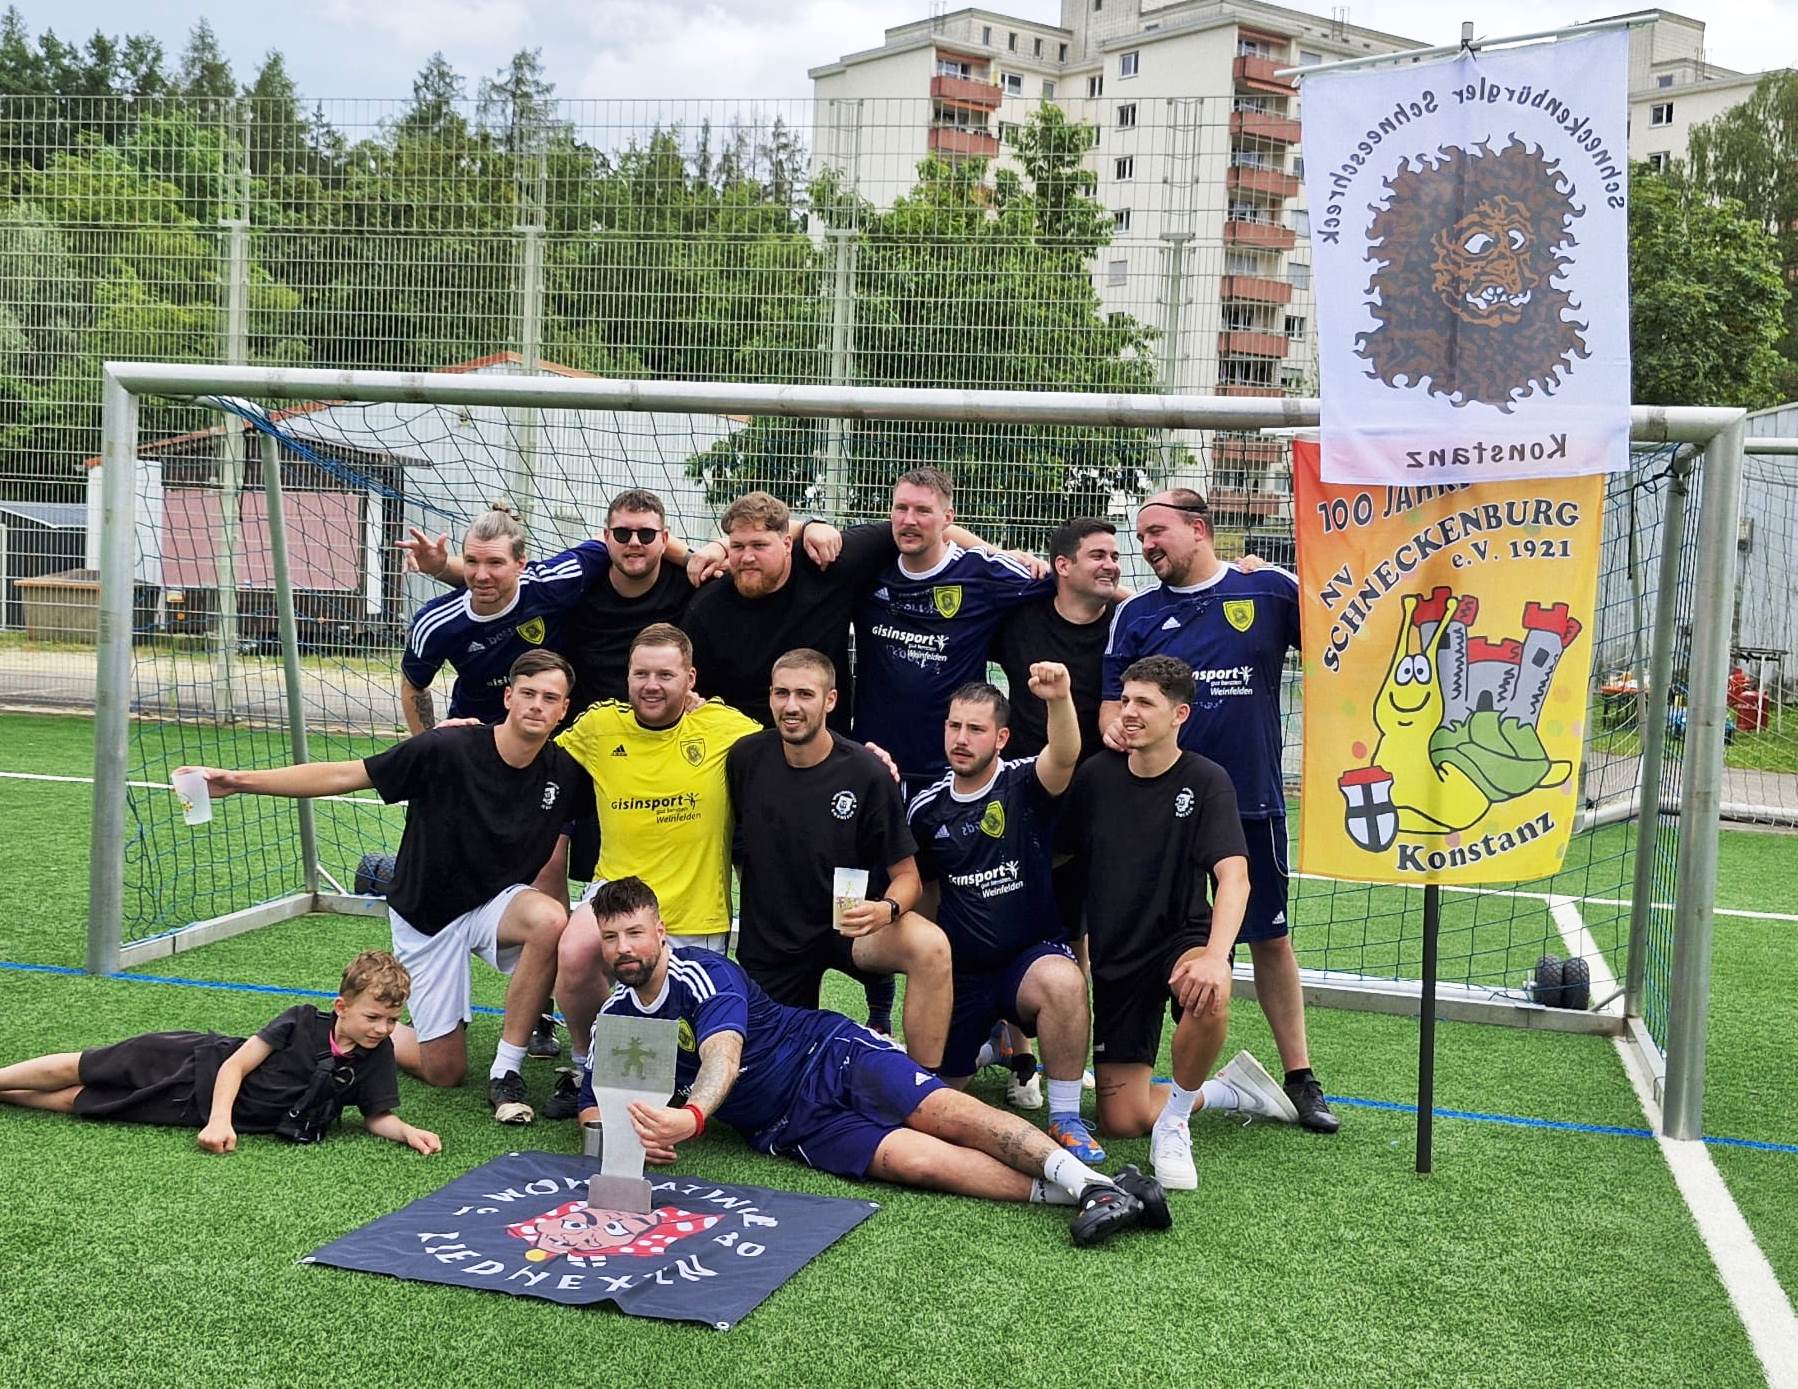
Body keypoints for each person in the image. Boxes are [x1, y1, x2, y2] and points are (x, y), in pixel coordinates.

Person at [581, 877, 1170, 1248]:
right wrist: (634, 1140)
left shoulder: (701, 973)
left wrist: (689, 1119)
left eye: (635, 933)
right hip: (787, 1126)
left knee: (948, 1113)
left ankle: (1086, 1182)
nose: (624, 949)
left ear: (661, 931)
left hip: (828, 1053)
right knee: (919, 1163)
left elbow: (722, 1055)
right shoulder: (615, 1016)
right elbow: (596, 1109)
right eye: (611, 938)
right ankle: (1097, 1191)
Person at [176, 649, 592, 1125]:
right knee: (445, 1071)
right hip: (428, 913)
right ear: (508, 697)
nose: (537, 705)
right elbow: (346, 774)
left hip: (494, 903)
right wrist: (239, 781)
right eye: (528, 694)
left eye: (550, 698)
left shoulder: (566, 772)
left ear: (564, 709)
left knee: (553, 921)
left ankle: (507, 1069)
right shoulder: (447, 748)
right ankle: (342, 1024)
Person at [1099, 488, 1338, 1135]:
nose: (1146, 545)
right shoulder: (1136, 614)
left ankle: (1299, 1076)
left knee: (1269, 936)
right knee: (1153, 933)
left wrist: (1295, 576)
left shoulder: (1268, 592)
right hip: (1160, 814)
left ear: (1199, 529)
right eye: (1141, 536)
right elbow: (1109, 708)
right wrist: (1116, 729)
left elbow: (1337, 633)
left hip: (1252, 799)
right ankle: (1147, 1067)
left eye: (1156, 531)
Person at [1063, 656, 1300, 1190]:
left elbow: (1235, 878)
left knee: (1208, 990)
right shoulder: (1096, 776)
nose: (1129, 712)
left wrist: (1216, 957)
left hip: (1182, 939)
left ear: (1179, 714)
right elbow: (1063, 858)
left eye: (1144, 703)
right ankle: (1227, 1090)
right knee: (1121, 1120)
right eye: (1126, 700)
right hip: (1118, 956)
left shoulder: (1206, 779)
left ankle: (1173, 1124)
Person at [545, 623, 761, 1119]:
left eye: (666, 675)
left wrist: (863, 754)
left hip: (694, 908)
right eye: (641, 673)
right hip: (616, 895)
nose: (651, 685)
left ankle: (660, 1081)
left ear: (690, 678)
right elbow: (533, 749)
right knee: (575, 951)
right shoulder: (600, 726)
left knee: (672, 1058)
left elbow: (792, 750)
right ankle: (585, 1065)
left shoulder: (724, 727)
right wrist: (468, 735)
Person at [907, 668, 1103, 1162]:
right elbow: (925, 895)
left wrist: (1059, 698)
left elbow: (1065, 754)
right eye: (954, 726)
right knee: (935, 1107)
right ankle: (988, 1047)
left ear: (1001, 738)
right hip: (963, 973)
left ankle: (1065, 1117)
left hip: (1027, 959)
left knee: (1064, 981)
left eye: (975, 729)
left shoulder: (1022, 783)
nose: (961, 739)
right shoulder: (926, 810)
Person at [725, 648, 952, 1069]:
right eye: (781, 693)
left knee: (931, 946)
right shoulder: (744, 759)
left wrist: (885, 909)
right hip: (774, 939)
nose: (791, 706)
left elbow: (909, 878)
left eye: (805, 694)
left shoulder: (866, 772)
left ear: (830, 700)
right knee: (771, 1075)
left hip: (846, 924)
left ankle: (924, 1082)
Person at [0, 951, 440, 1155]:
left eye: (392, 1021)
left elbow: (376, 1116)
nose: (382, 1029)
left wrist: (407, 1132)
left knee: (82, 1101)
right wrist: (219, 1120)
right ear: (341, 1007)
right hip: (191, 1061)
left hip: (187, 1107)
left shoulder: (377, 1054)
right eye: (372, 1017)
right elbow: (235, 1065)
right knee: (84, 1067)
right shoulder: (301, 1020)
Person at [851, 468, 1053, 795]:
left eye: (923, 510)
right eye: (901, 508)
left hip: (952, 771)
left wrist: (1130, 601)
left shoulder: (982, 572)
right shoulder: (868, 568)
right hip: (875, 763)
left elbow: (1072, 580)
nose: (909, 520)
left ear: (948, 518)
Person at [398, 504, 614, 735]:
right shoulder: (436, 622)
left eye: (495, 562)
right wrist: (428, 746)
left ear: (521, 563)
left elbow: (611, 538)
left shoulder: (552, 583)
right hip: (476, 737)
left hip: (552, 732)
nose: (481, 575)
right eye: (471, 561)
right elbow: (413, 685)